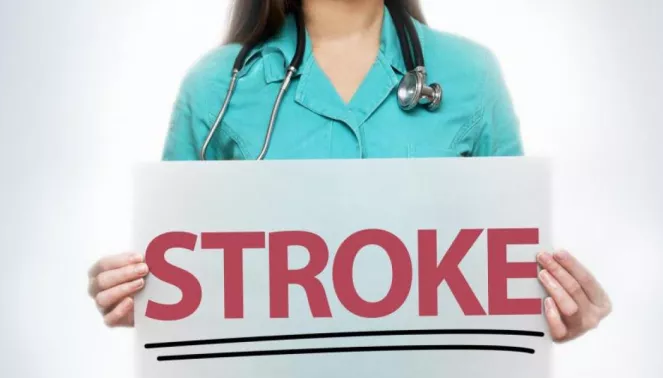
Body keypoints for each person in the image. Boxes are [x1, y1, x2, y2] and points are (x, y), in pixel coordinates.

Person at [87, 0, 611, 343]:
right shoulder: (217, 88)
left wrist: (561, 306)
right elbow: (182, 275)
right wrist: (137, 290)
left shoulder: (471, 77)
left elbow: (510, 269)